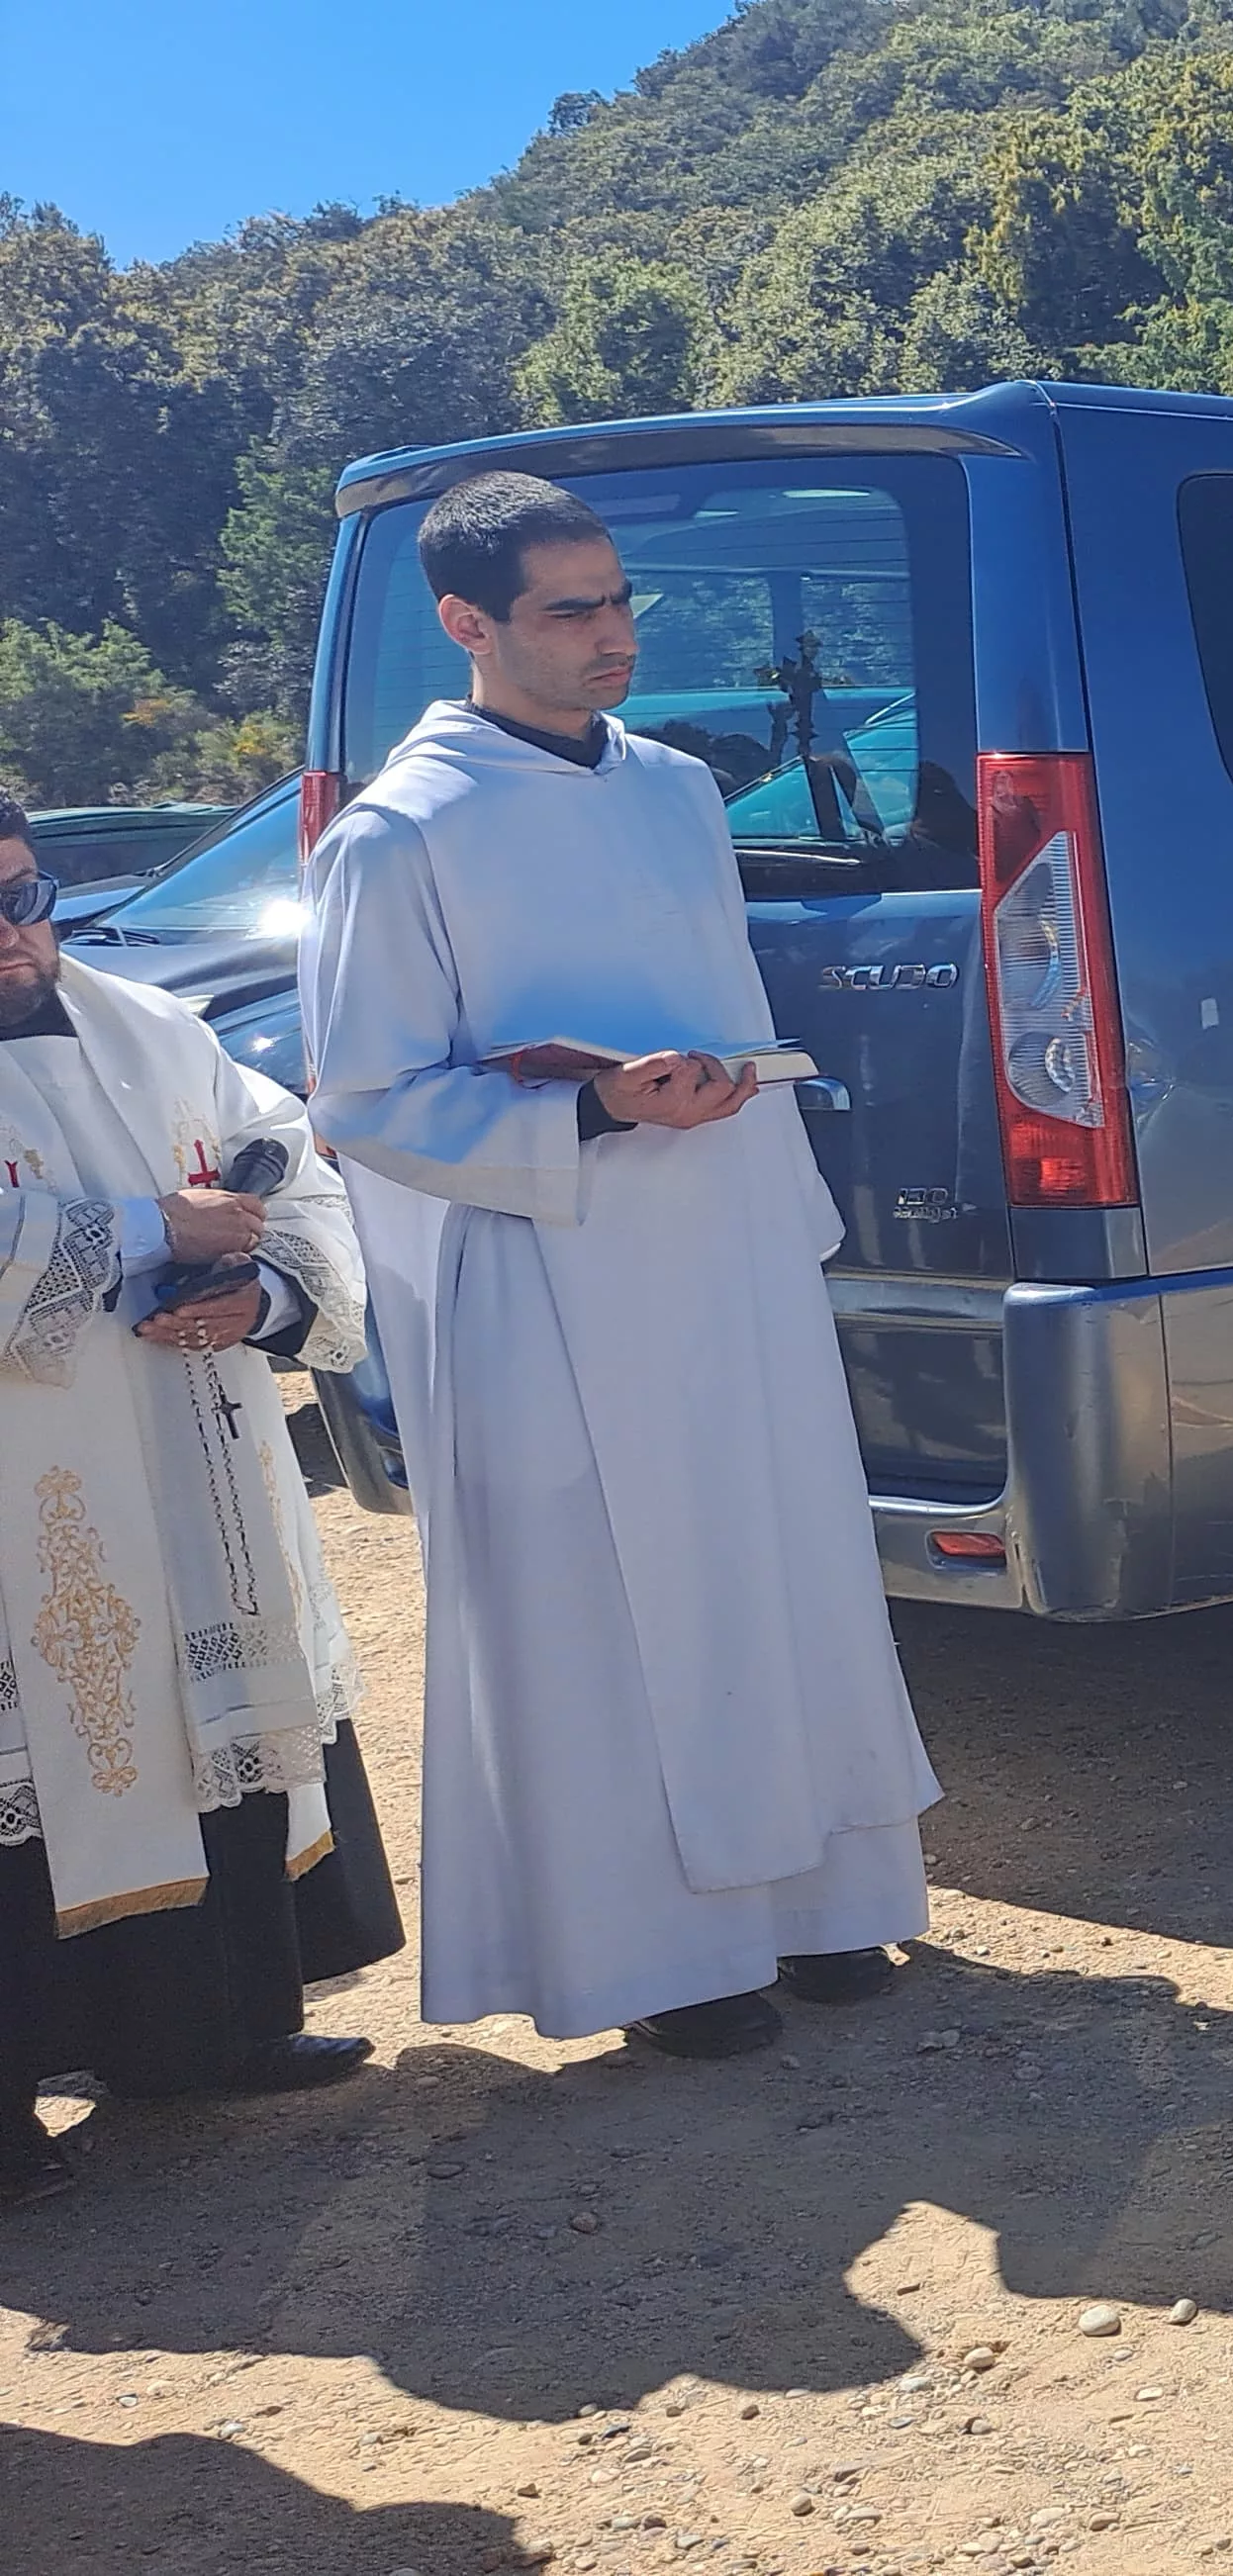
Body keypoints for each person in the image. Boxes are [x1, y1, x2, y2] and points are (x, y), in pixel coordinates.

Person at [298, 471, 937, 2064]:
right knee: (609, 1613)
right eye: (569, 611)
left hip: (723, 1238)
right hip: (551, 1274)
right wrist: (590, 1107)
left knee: (777, 1574)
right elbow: (363, 1097)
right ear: (468, 626)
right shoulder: (400, 833)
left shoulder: (672, 790)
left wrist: (732, 1094)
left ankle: (821, 1904)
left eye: (619, 600)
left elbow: (712, 986)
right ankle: (669, 1959)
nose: (613, 637)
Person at [0, 797, 401, 2205]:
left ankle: (207, 2030)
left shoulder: (152, 1027)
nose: (14, 936)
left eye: (27, 895)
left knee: (192, 1709)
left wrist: (262, 1290)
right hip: (21, 1503)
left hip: (188, 1459)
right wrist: (136, 1234)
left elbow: (290, 1172)